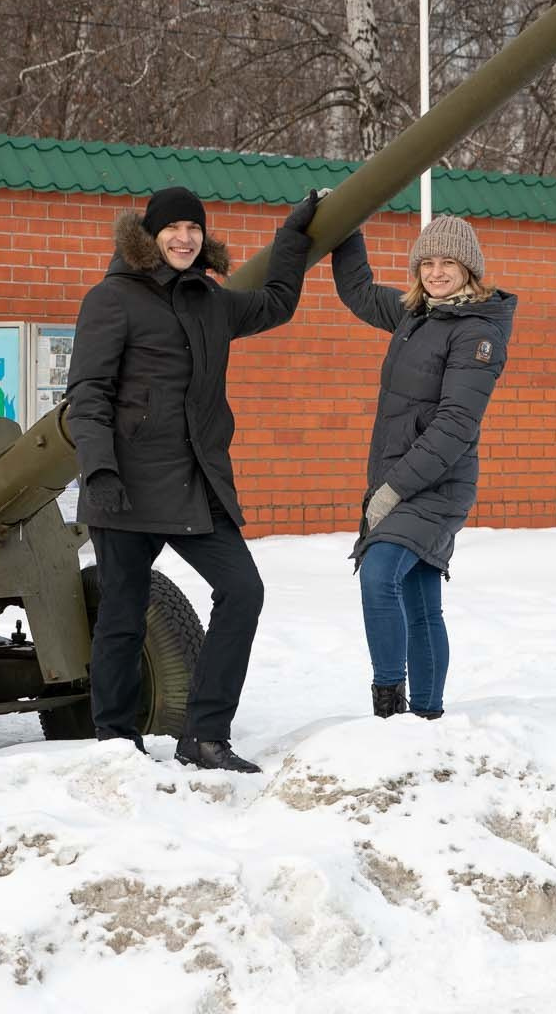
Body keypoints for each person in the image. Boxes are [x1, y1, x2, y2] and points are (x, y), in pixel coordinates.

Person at [66, 185, 317, 772]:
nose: (184, 238)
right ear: (150, 236)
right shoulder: (112, 298)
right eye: (173, 229)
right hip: (125, 484)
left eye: (194, 229)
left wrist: (293, 236)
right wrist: (98, 469)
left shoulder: (211, 300)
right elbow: (88, 393)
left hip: (193, 482)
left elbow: (277, 302)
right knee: (123, 615)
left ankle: (205, 735)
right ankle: (116, 742)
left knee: (243, 591)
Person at [332, 213, 515, 720]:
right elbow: (359, 292)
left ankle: (390, 709)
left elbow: (456, 425)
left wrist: (393, 489)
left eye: (448, 262)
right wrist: (345, 227)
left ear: (469, 269)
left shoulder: (477, 334)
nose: (436, 272)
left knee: (378, 575)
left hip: (438, 482)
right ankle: (428, 717)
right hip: (399, 476)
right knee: (419, 600)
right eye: (427, 262)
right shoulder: (417, 314)